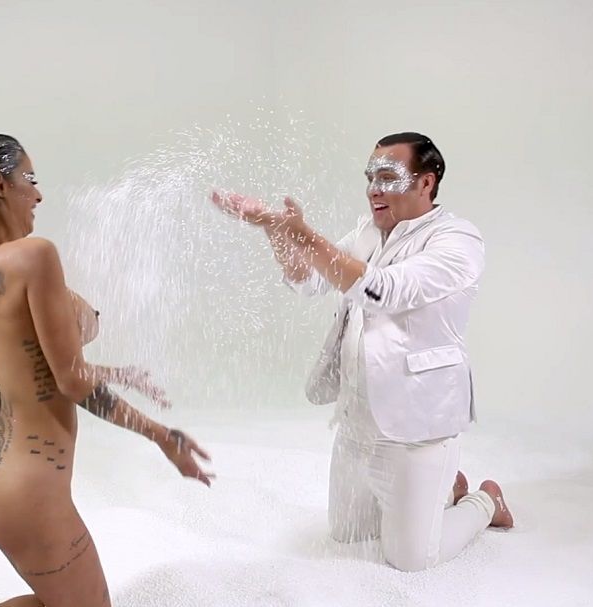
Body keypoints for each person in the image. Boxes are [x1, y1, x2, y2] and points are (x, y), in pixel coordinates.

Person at [0, 133, 213, 606]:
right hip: (27, 488)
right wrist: (163, 436)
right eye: (30, 178)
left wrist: (113, 372)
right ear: (0, 184)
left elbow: (33, 369)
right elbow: (72, 381)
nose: (38, 194)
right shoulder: (34, 255)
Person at [210, 132, 513, 572]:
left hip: (415, 427)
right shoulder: (367, 233)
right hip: (356, 421)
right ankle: (444, 491)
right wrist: (276, 232)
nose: (374, 188)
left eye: (388, 177)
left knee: (411, 559)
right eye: (371, 177)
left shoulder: (458, 240)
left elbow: (383, 291)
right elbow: (308, 281)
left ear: (426, 182)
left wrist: (305, 236)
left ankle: (485, 501)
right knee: (348, 535)